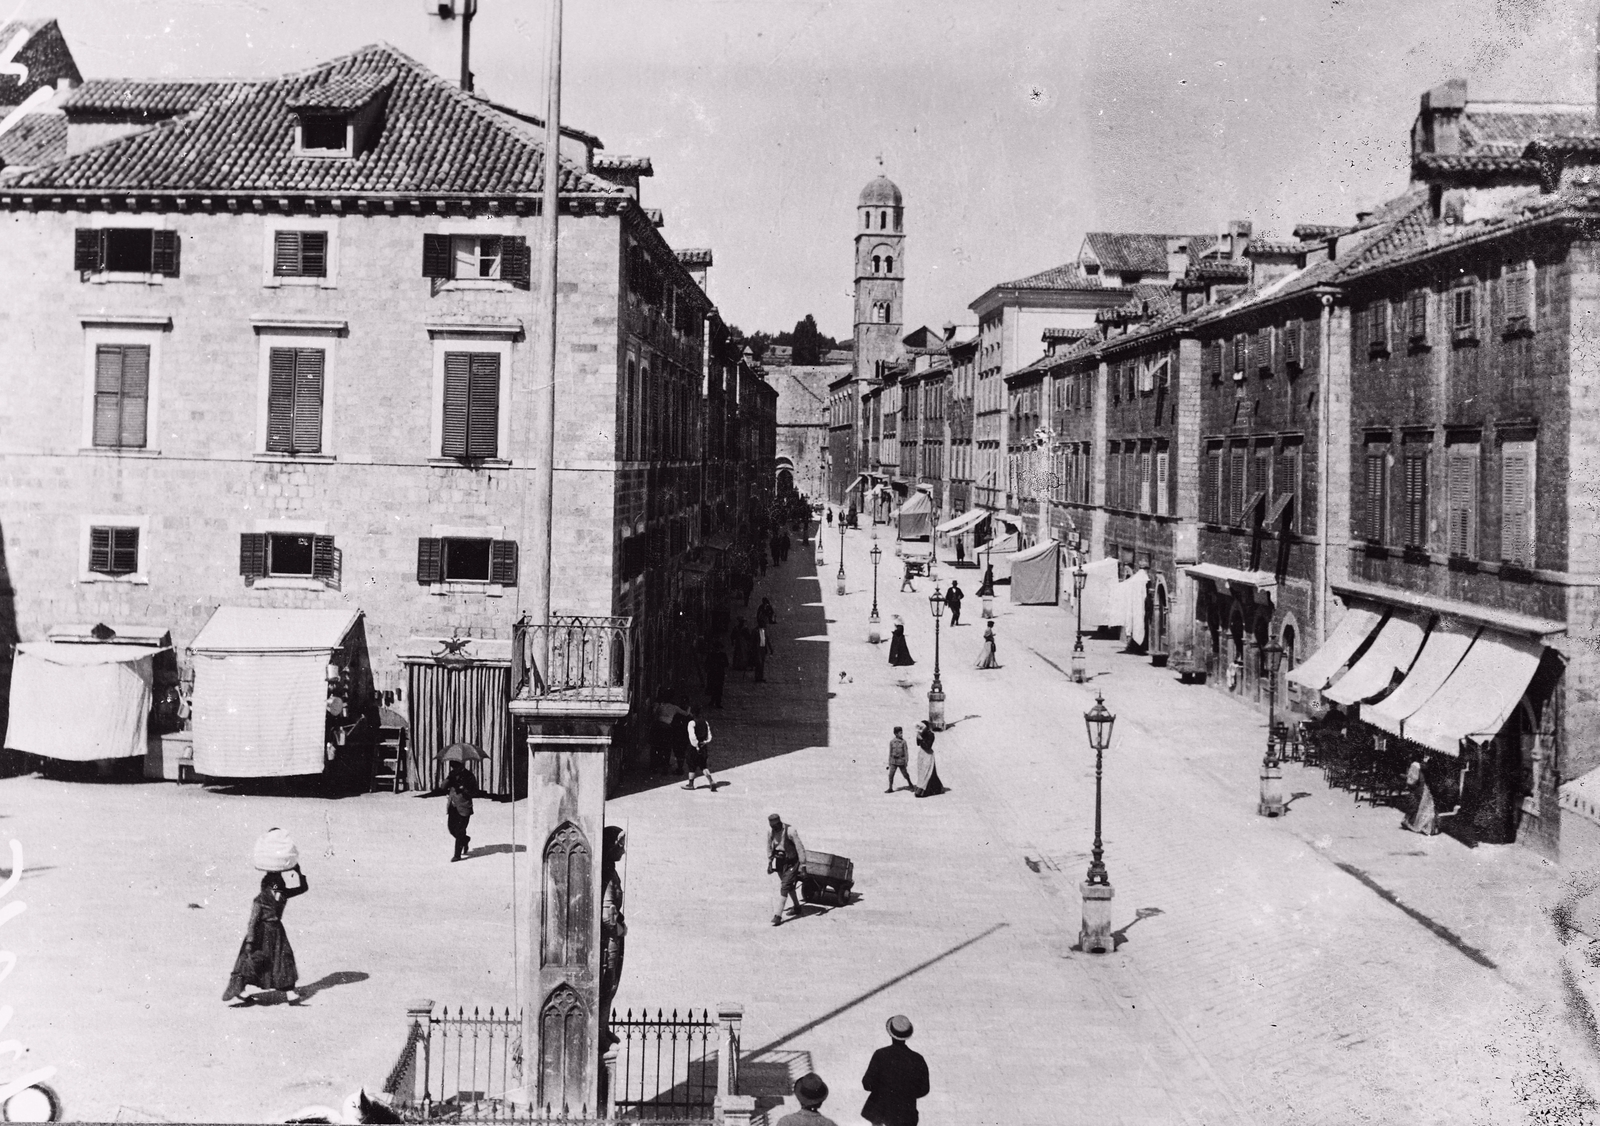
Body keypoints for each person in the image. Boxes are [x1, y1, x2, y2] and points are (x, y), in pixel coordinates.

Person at [223, 864, 310, 1005]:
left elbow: (303, 888)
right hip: (261, 934)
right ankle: (240, 990)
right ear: (268, 886)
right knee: (254, 962)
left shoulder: (281, 894)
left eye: (280, 883)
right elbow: (252, 922)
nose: (279, 886)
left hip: (277, 932)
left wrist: (299, 873)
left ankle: (290, 993)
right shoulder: (260, 900)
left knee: (283, 960)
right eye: (276, 884)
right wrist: (250, 942)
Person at [861, 1015, 930, 1126]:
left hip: (881, 1115)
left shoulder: (880, 1055)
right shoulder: (918, 1059)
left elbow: (867, 1084)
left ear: (890, 1033)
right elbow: (924, 1089)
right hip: (907, 1115)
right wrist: (905, 1094)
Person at [767, 813, 805, 926]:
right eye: (772, 827)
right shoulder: (770, 832)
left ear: (780, 823)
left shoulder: (790, 831)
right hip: (779, 861)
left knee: (784, 886)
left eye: (776, 827)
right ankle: (797, 907)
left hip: (792, 862)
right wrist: (769, 862)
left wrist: (803, 866)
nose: (775, 829)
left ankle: (778, 915)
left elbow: (800, 848)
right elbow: (768, 847)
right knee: (789, 886)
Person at [443, 760, 480, 861]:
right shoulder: (452, 775)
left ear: (461, 766)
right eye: (452, 767)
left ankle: (457, 855)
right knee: (451, 829)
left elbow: (474, 791)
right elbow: (442, 787)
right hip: (453, 806)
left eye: (455, 767)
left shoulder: (469, 776)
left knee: (460, 831)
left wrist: (463, 789)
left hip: (464, 807)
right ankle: (465, 839)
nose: (454, 769)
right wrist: (449, 779)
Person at [683, 706, 719, 791]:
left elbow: (692, 737)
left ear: (692, 713)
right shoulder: (705, 722)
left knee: (691, 765)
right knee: (703, 765)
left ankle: (691, 784)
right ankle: (711, 781)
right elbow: (709, 735)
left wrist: (696, 746)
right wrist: (705, 742)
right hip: (703, 746)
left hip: (694, 747)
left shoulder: (692, 723)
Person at [1402, 757, 1439, 835]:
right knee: (1426, 808)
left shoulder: (1417, 766)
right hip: (1423, 789)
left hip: (1421, 789)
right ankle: (1423, 826)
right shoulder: (1420, 768)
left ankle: (1411, 822)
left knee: (1420, 807)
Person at [912, 722, 944, 798]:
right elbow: (917, 744)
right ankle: (933, 789)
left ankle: (923, 791)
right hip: (922, 754)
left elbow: (927, 746)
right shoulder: (922, 733)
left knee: (927, 772)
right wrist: (918, 736)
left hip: (928, 755)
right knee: (923, 772)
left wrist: (921, 739)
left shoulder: (931, 735)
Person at [886, 726, 912, 793]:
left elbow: (906, 752)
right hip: (893, 761)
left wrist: (906, 761)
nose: (901, 734)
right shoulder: (892, 742)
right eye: (900, 733)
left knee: (905, 774)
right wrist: (889, 761)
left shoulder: (903, 742)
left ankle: (910, 784)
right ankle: (890, 788)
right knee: (891, 775)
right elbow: (890, 752)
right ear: (896, 734)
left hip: (901, 761)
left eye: (902, 733)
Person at [704, 644, 729, 709]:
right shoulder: (711, 655)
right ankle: (713, 700)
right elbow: (707, 663)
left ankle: (718, 702)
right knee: (713, 687)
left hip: (720, 674)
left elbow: (726, 664)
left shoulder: (723, 655)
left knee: (719, 688)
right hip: (712, 673)